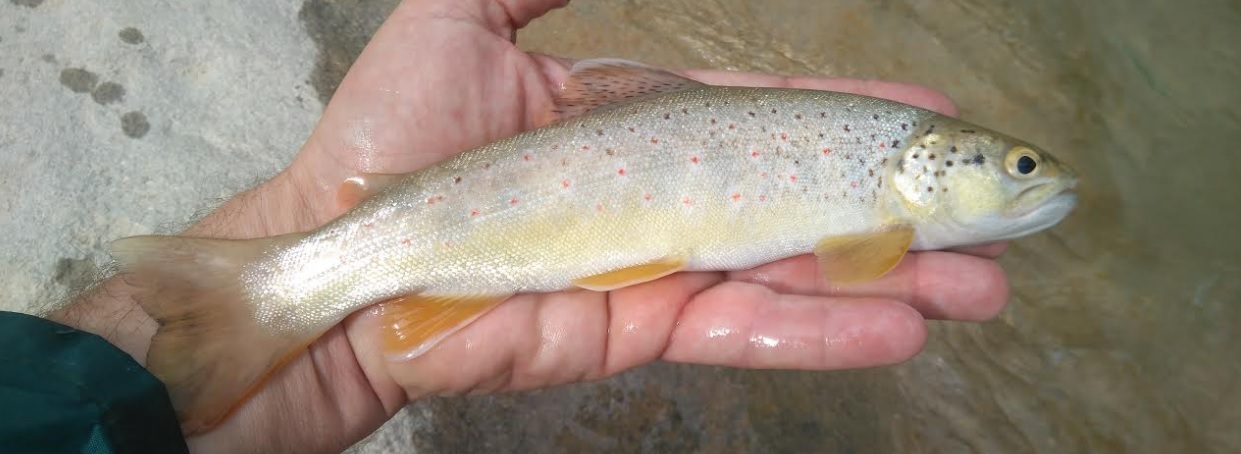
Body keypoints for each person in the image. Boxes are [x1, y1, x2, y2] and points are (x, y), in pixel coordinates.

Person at [2, 0, 1010, 452]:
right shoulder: (883, 194)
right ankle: (268, 290)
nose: (1029, 183)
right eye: (1014, 167)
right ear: (929, 166)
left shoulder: (887, 182)